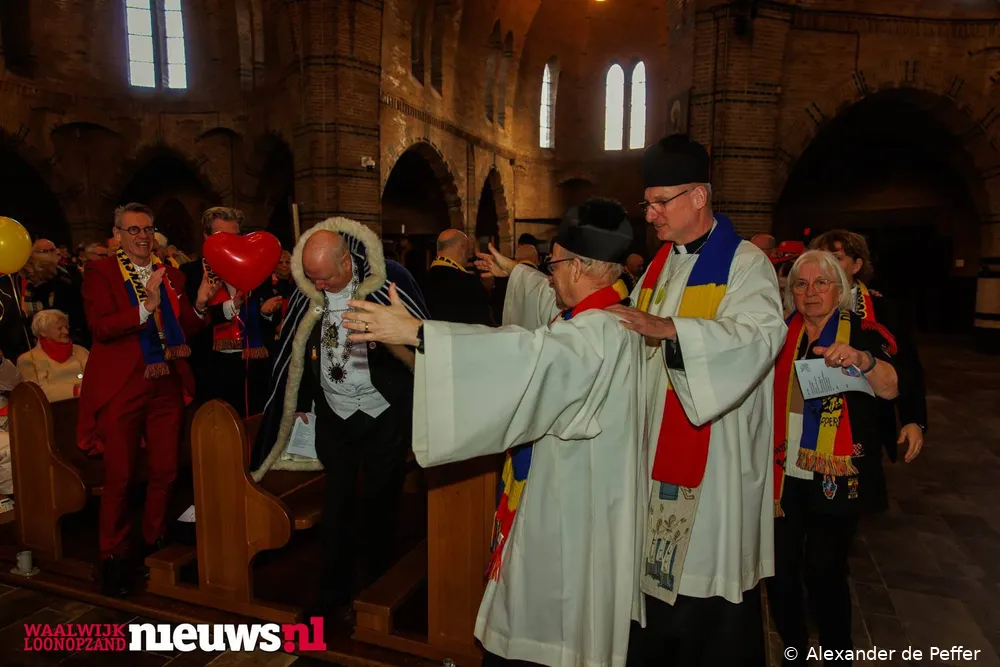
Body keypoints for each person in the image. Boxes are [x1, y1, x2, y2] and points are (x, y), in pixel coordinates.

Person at [343, 198, 648, 667]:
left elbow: (527, 356)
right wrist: (515, 271)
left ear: (580, 266)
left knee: (558, 621)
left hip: (573, 507)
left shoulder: (598, 334)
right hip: (567, 489)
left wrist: (419, 332)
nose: (549, 276)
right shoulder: (604, 315)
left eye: (553, 265)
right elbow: (541, 320)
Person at [608, 134, 786, 665]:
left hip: (715, 460)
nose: (650, 215)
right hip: (653, 447)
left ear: (699, 196)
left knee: (708, 585)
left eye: (660, 202)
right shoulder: (660, 264)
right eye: (647, 204)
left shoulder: (745, 263)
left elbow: (760, 336)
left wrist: (672, 330)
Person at [250, 217, 428, 625]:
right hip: (335, 415)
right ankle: (331, 594)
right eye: (312, 278)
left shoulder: (387, 284)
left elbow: (419, 340)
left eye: (326, 278)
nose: (319, 286)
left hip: (383, 412)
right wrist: (301, 402)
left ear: (346, 262)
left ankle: (377, 591)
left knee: (381, 503)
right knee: (337, 507)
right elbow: (296, 351)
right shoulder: (310, 290)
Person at [77, 202, 218, 596]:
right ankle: (113, 556)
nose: (142, 236)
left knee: (165, 469)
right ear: (118, 234)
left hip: (166, 382)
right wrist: (145, 308)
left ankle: (155, 541)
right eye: (134, 230)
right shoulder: (101, 272)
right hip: (123, 384)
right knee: (120, 476)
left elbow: (183, 327)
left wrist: (200, 303)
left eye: (147, 229)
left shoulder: (170, 274)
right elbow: (100, 327)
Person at [769, 250, 899, 665]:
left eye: (821, 283)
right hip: (780, 470)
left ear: (839, 289)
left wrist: (862, 360)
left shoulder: (863, 332)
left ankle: (837, 653)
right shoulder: (777, 333)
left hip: (836, 473)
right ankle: (793, 650)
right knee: (779, 571)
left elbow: (891, 387)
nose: (810, 292)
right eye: (801, 284)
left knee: (824, 570)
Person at [809, 230, 926, 464]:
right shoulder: (804, 303)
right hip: (812, 413)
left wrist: (913, 419)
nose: (827, 265)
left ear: (856, 265)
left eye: (836, 258)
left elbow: (908, 365)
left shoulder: (883, 309)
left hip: (868, 414)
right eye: (821, 258)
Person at [181, 207, 283, 416]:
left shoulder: (257, 267)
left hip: (254, 367)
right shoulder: (191, 273)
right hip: (212, 368)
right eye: (221, 237)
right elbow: (193, 322)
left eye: (235, 236)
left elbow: (268, 322)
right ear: (206, 236)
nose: (229, 243)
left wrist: (266, 313)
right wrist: (231, 306)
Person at [421, 229, 494, 325]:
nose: (468, 255)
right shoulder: (469, 284)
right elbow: (485, 326)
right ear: (461, 248)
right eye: (468, 250)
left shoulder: (420, 282)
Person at [17, 309, 89, 403]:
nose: (66, 332)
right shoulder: (28, 359)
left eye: (66, 327)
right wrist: (75, 390)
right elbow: (36, 393)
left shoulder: (81, 350)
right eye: (59, 328)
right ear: (43, 332)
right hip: (58, 409)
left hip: (89, 402)